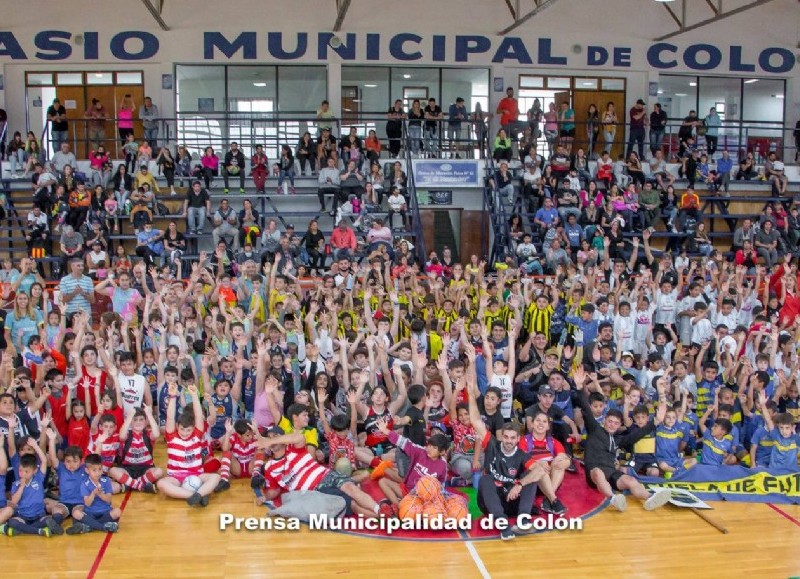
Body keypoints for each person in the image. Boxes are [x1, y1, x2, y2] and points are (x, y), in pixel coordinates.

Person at [573, 366, 672, 512]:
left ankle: (649, 498)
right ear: (605, 420)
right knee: (598, 473)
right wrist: (580, 387)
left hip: (611, 473)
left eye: (616, 423)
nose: (612, 425)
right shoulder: (594, 429)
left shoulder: (618, 439)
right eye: (610, 421)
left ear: (620, 425)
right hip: (594, 473)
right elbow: (586, 409)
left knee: (630, 480)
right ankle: (613, 498)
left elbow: (637, 435)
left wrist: (656, 421)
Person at [156, 383, 221, 506]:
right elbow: (170, 418)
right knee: (161, 484)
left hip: (196, 474)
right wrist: (173, 396)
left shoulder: (196, 436)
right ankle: (197, 495)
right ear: (177, 427)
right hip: (176, 477)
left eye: (188, 430)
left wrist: (194, 395)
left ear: (193, 429)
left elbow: (198, 416)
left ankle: (196, 494)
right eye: (182, 429)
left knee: (216, 478)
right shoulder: (172, 437)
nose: (185, 433)